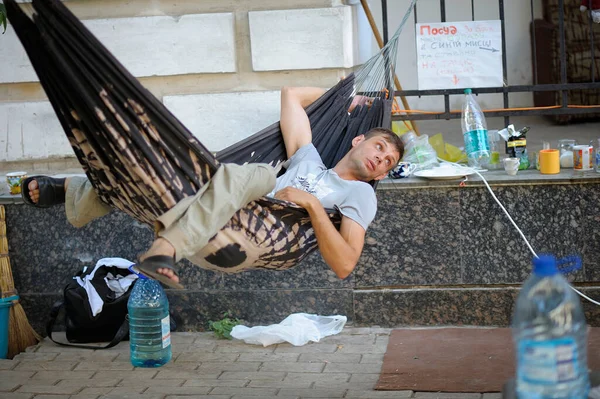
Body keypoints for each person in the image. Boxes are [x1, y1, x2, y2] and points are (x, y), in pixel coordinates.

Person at [23, 86, 403, 288]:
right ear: (358, 141)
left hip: (269, 235)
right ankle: (78, 193)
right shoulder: (308, 158)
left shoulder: (361, 195)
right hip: (224, 214)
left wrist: (313, 207)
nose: (381, 158)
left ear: (382, 176)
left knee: (260, 174)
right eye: (379, 146)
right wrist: (345, 100)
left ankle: (164, 247)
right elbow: (291, 94)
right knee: (165, 175)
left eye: (388, 162)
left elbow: (345, 265)